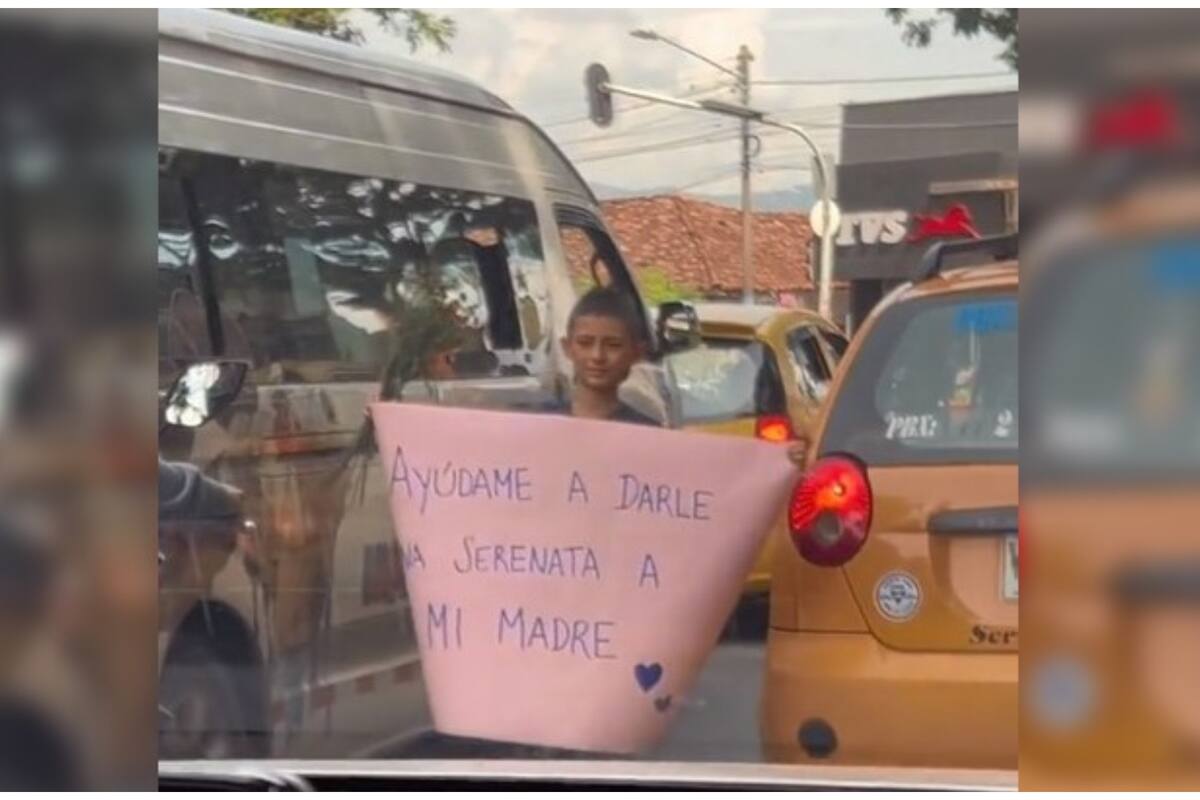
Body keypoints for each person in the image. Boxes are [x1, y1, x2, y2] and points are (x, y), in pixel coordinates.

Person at [557, 287, 808, 465]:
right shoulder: (533, 425)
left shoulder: (649, 436)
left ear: (637, 353)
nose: (597, 356)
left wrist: (775, 463)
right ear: (567, 348)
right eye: (585, 343)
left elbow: (707, 474)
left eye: (612, 345)